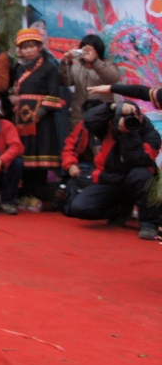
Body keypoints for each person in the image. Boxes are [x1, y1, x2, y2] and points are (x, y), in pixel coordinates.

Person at [82, 84, 162, 239]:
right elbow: (142, 92)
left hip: (134, 175)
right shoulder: (109, 127)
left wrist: (129, 135)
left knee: (142, 175)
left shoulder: (149, 132)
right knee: (80, 207)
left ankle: (149, 224)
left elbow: (139, 160)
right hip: (112, 178)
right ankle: (120, 210)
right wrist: (112, 100)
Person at [11, 28, 64, 209]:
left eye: (32, 46)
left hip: (42, 119)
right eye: (25, 48)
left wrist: (39, 114)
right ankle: (24, 194)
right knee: (25, 157)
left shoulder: (49, 67)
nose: (29, 51)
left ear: (40, 47)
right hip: (21, 118)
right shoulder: (18, 69)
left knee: (39, 159)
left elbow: (54, 94)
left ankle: (37, 196)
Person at [59, 34, 121, 131]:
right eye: (84, 50)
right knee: (77, 143)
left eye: (90, 50)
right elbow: (66, 82)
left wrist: (94, 62)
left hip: (102, 114)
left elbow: (113, 78)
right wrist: (65, 63)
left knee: (99, 144)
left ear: (98, 50)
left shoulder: (107, 64)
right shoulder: (77, 65)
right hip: (78, 115)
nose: (87, 53)